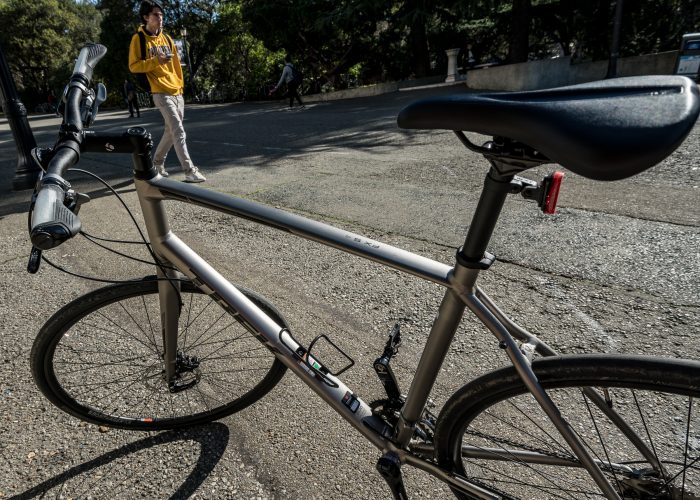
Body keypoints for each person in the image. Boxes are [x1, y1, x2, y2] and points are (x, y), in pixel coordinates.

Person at [128, 0, 205, 183]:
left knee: (171, 131)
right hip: (159, 91)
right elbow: (134, 66)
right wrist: (156, 61)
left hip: (176, 90)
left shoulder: (167, 38)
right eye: (156, 14)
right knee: (178, 130)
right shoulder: (138, 39)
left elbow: (176, 65)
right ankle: (189, 170)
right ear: (146, 17)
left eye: (161, 15)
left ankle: (157, 163)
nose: (160, 18)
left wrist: (180, 86)